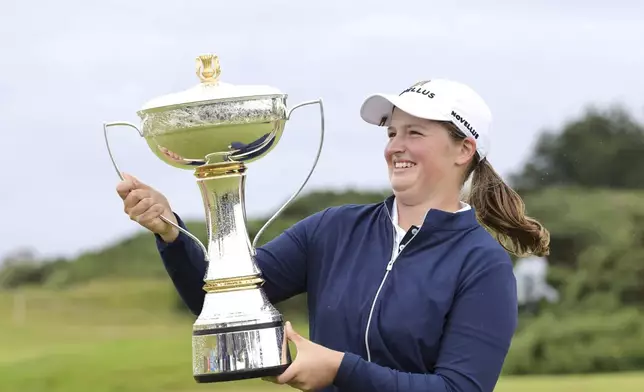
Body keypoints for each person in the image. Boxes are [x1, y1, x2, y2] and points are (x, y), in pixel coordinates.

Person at [116, 78, 550, 392]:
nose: (396, 146)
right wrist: (170, 233)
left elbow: (460, 389)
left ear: (463, 150)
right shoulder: (333, 229)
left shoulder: (482, 264)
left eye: (415, 133)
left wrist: (341, 369)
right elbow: (219, 302)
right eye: (392, 132)